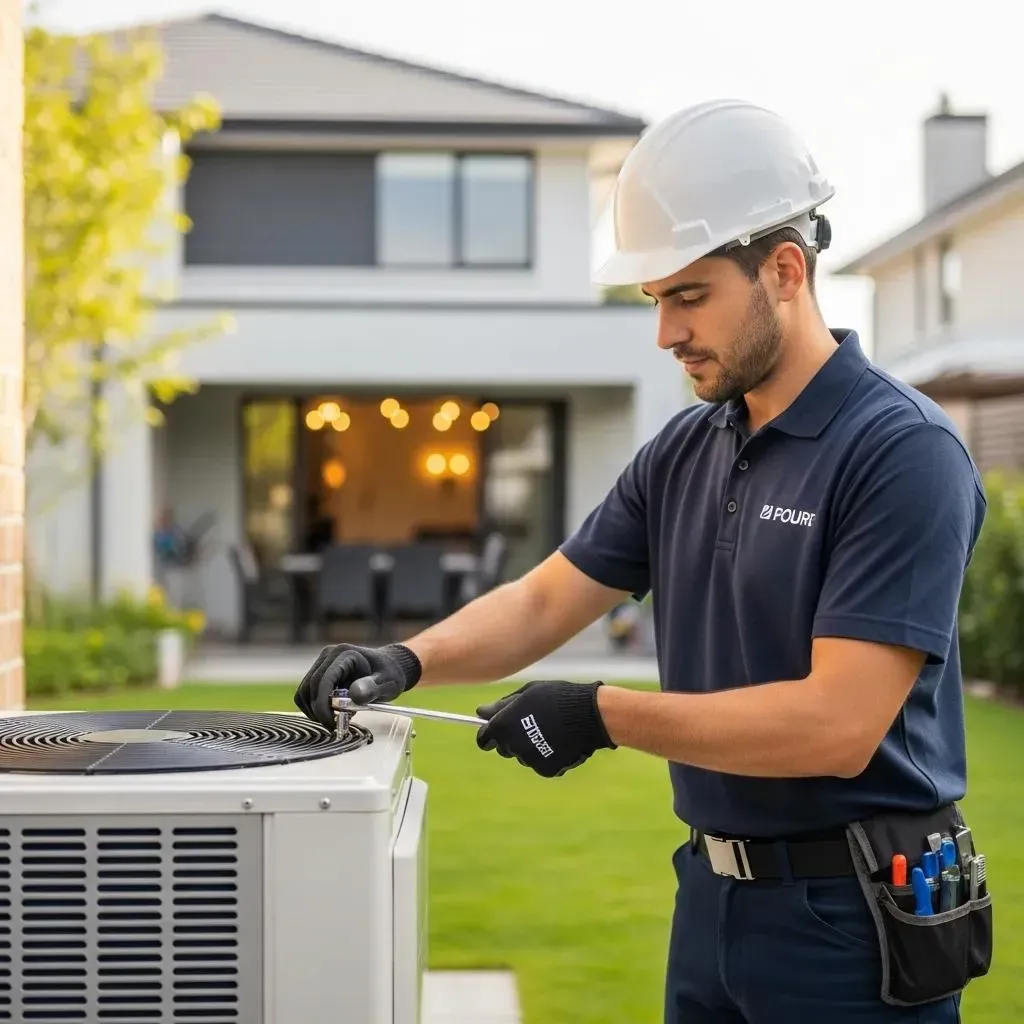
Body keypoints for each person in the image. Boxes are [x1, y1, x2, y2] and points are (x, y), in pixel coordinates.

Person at [294, 99, 991, 1023]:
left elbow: (837, 724)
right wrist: (406, 659)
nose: (666, 333)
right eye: (655, 301)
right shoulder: (686, 449)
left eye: (689, 296)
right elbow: (546, 602)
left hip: (851, 921)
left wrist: (602, 715)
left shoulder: (899, 452)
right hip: (708, 896)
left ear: (785, 270)